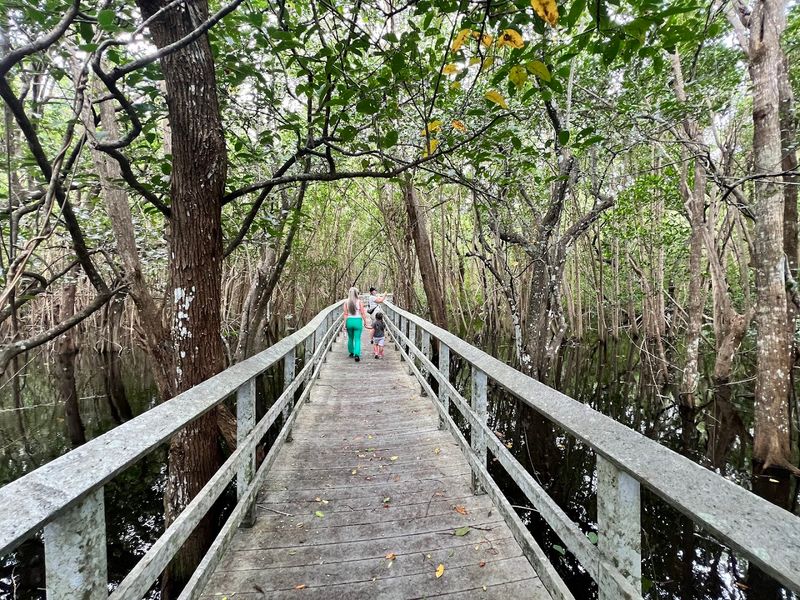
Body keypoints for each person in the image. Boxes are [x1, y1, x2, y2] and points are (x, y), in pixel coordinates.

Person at [343, 287, 371, 362]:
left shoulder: (346, 302)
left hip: (349, 321)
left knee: (350, 338)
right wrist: (365, 322)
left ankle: (351, 352)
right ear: (356, 293)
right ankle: (357, 354)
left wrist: (344, 324)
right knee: (357, 339)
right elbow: (362, 313)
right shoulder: (359, 302)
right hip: (358, 321)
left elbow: (345, 314)